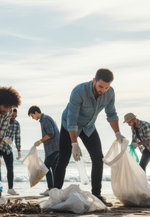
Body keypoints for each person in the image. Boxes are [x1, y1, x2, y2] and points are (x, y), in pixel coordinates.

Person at [53, 68, 125, 207]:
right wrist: (74, 144)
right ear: (94, 81)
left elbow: (111, 114)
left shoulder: (110, 93)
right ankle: (55, 194)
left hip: (88, 126)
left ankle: (97, 195)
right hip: (69, 125)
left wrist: (117, 133)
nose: (103, 90)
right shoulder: (79, 91)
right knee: (63, 158)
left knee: (98, 158)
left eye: (106, 87)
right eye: (100, 86)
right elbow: (72, 119)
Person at [124, 113, 150, 195]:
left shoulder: (146, 125)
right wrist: (132, 145)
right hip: (148, 148)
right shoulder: (133, 127)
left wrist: (137, 144)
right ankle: (143, 187)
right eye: (127, 123)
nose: (128, 124)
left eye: (129, 122)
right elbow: (134, 139)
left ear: (133, 119)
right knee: (141, 166)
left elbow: (148, 139)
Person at [28, 105, 60, 196]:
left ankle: (50, 189)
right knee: (54, 168)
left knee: (45, 168)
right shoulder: (44, 119)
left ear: (36, 112)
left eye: (32, 116)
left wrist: (40, 141)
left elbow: (51, 133)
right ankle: (55, 190)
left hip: (53, 148)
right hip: (56, 148)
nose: (32, 118)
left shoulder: (45, 119)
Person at [0, 108, 21, 195]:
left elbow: (17, 137)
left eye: (15, 116)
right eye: (12, 116)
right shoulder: (2, 121)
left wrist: (19, 151)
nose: (14, 117)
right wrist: (4, 139)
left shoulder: (16, 124)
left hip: (8, 149)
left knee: (10, 169)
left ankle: (10, 189)